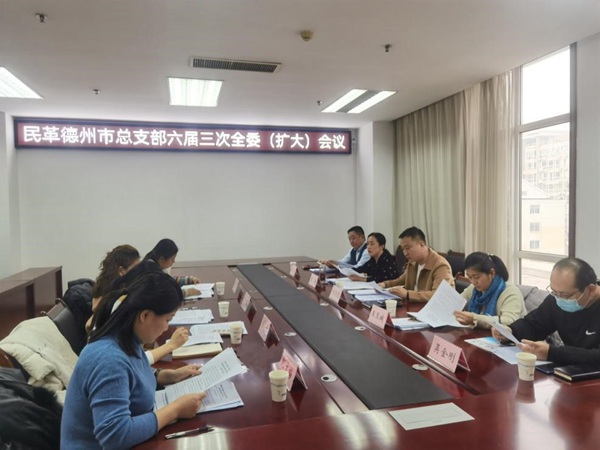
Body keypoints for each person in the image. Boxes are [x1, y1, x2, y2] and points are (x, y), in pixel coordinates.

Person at [61, 272, 206, 449]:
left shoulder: (127, 337)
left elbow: (131, 375)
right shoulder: (109, 359)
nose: (166, 327)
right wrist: (175, 410)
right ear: (145, 316)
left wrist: (167, 376)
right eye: (167, 319)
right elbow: (115, 436)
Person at [492, 258, 600, 365]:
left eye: (565, 295)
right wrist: (510, 332)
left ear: (590, 289)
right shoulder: (556, 300)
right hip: (573, 368)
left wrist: (551, 353)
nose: (559, 299)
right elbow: (534, 325)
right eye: (554, 292)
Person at [380, 227, 454, 302]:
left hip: (430, 308)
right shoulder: (413, 262)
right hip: (413, 306)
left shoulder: (441, 266)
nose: (405, 253)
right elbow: (402, 280)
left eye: (407, 248)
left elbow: (439, 295)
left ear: (421, 244)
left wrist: (408, 294)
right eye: (403, 249)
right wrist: (384, 285)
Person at [453, 252, 525, 328]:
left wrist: (475, 319)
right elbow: (456, 303)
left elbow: (509, 321)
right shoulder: (474, 289)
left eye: (476, 277)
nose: (473, 282)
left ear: (492, 273)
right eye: (470, 277)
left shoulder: (510, 292)